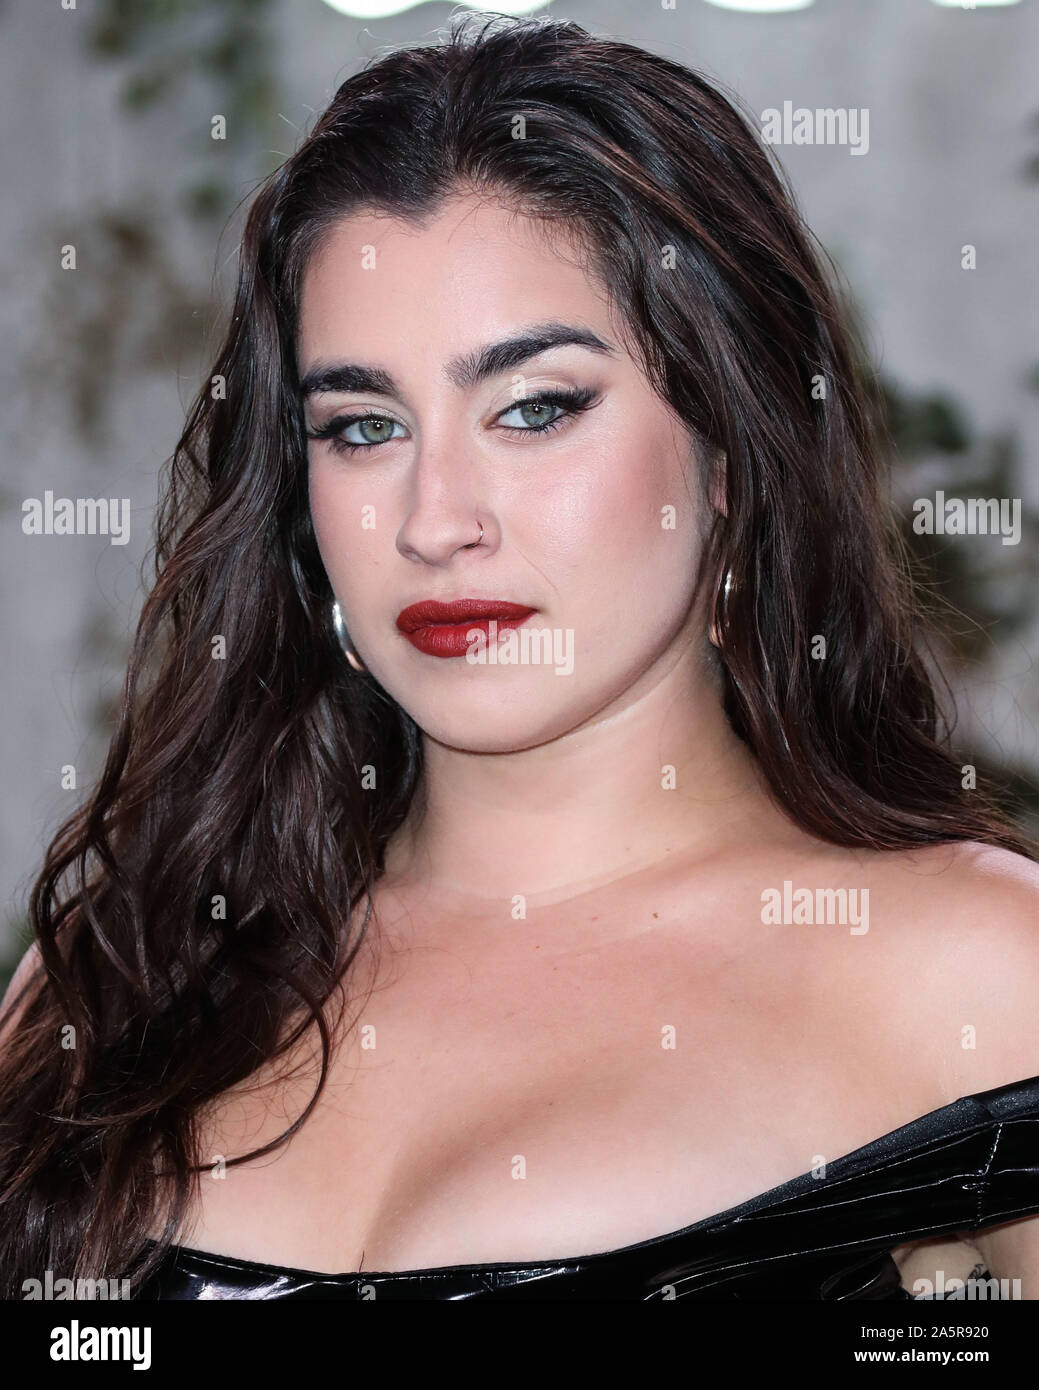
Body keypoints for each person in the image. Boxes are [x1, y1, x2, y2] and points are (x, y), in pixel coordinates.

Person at [1, 14, 1037, 1302]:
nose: (435, 521)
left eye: (535, 408)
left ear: (729, 452)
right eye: (363, 426)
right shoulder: (124, 967)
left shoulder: (978, 971)